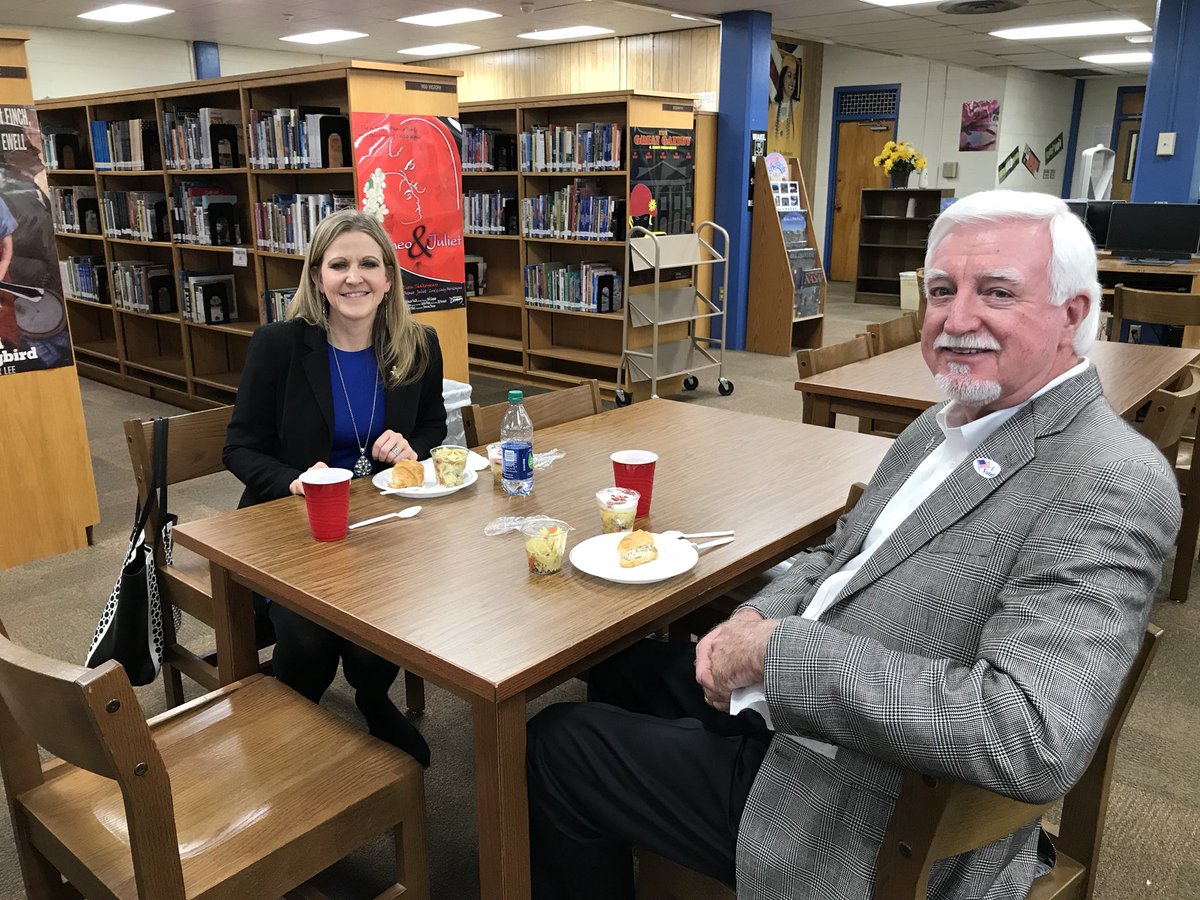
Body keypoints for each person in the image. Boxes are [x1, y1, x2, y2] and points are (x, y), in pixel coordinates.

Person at [526, 190, 1182, 899]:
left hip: (863, 804)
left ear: (1072, 314)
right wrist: (754, 622)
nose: (958, 320)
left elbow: (1028, 735)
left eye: (996, 292)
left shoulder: (1109, 480)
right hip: (808, 707)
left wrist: (777, 654)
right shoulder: (947, 421)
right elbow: (839, 554)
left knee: (560, 744)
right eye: (941, 291)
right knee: (626, 665)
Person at [224, 208, 445, 766]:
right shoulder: (279, 346)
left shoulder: (418, 343)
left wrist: (408, 447)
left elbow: (432, 424)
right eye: (339, 264)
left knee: (398, 609)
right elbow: (240, 446)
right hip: (294, 525)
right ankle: (294, 734)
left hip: (381, 519)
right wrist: (292, 481)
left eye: (369, 263)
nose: (355, 278)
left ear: (389, 277)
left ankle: (372, 698)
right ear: (317, 275)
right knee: (307, 637)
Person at [768, 55, 800, 148]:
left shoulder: (798, 107)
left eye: (794, 77)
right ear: (782, 78)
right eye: (789, 76)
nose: (792, 81)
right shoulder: (771, 108)